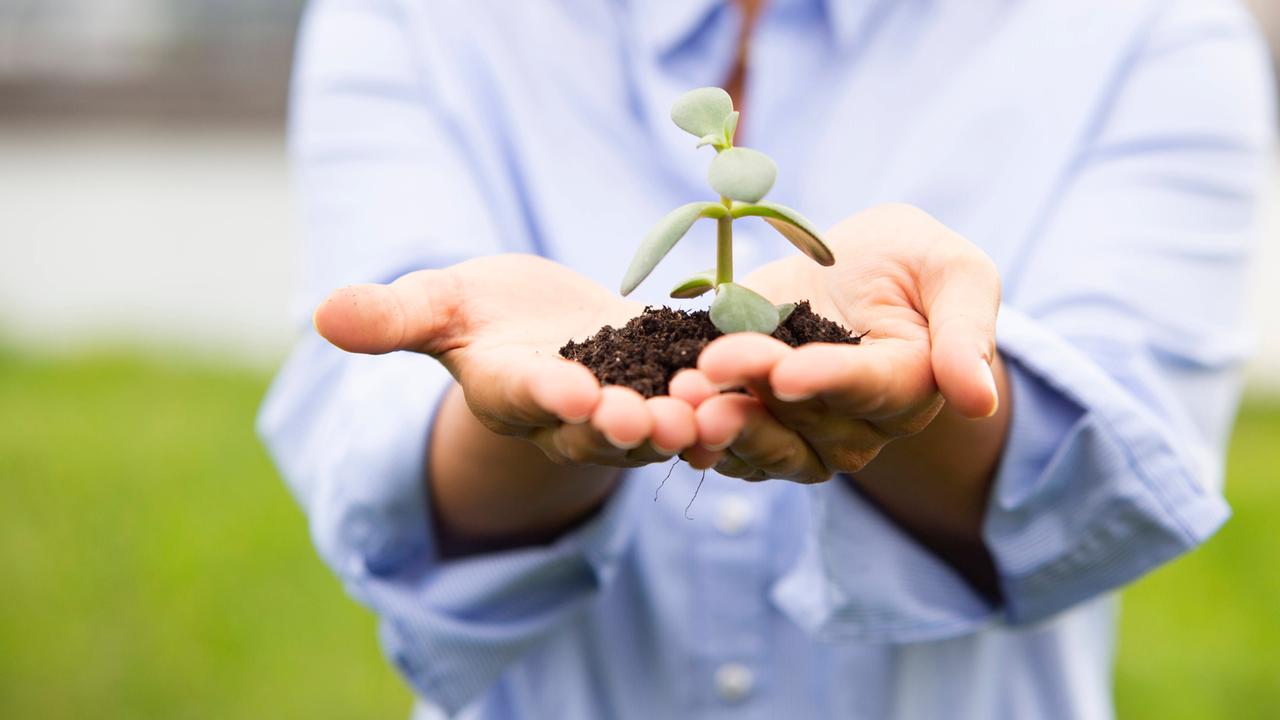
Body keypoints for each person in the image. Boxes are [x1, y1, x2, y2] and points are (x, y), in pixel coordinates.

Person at [258, 0, 1276, 717]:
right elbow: (374, 476)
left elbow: (1114, 482)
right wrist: (531, 409)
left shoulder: (1147, 28)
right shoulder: (418, 18)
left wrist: (916, 385)